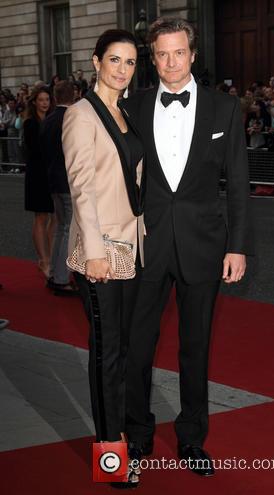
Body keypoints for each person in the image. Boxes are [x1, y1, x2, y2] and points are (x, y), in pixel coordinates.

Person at [121, 17, 253, 478]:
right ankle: (136, 434)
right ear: (152, 58)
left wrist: (237, 247)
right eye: (162, 53)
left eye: (179, 52)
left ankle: (192, 438)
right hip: (148, 244)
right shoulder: (131, 106)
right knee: (137, 345)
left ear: (193, 55)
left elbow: (238, 182)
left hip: (204, 245)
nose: (171, 62)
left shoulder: (224, 108)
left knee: (195, 348)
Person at [62, 29, 145, 488]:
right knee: (107, 354)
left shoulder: (125, 112)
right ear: (96, 62)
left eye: (130, 62)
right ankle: (111, 460)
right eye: (114, 60)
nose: (122, 69)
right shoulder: (81, 115)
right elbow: (81, 188)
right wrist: (94, 253)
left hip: (132, 247)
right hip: (101, 252)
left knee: (122, 351)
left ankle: (123, 437)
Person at [40, 81, 78, 296]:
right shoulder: (71, 118)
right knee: (66, 230)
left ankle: (55, 274)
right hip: (68, 180)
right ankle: (62, 278)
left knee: (61, 228)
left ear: (54, 97)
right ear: (73, 96)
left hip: (53, 180)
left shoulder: (49, 119)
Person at [24, 86, 56, 279]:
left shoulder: (52, 119)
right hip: (37, 174)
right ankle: (43, 260)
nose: (45, 103)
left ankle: (51, 257)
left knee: (54, 217)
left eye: (47, 100)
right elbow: (34, 150)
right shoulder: (30, 123)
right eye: (41, 100)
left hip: (51, 173)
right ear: (34, 101)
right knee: (41, 217)